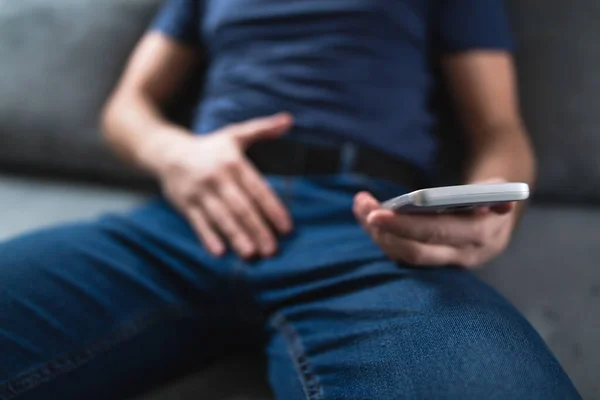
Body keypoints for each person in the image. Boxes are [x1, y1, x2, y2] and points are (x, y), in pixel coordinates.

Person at [0, 0, 582, 399]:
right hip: (189, 216)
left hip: (363, 232)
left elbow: (500, 131)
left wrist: (495, 211)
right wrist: (174, 154)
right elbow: (126, 106)